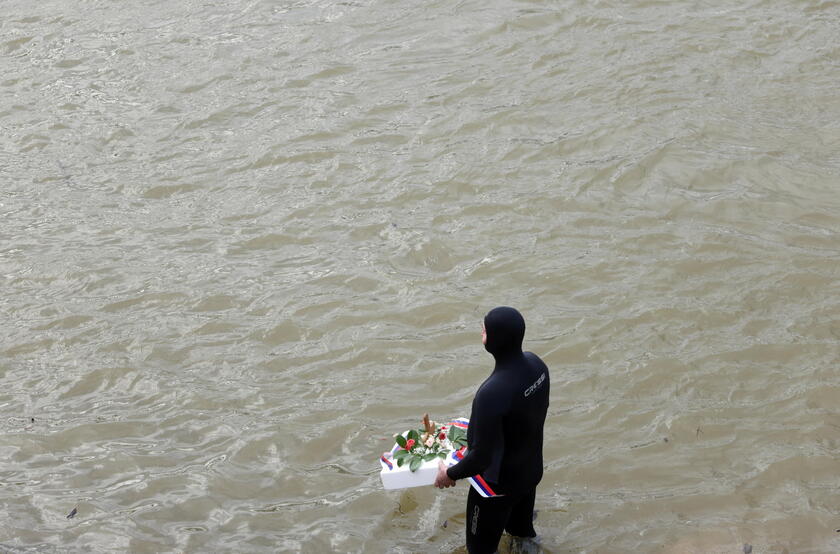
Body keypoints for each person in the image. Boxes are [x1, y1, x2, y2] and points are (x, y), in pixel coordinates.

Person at [434, 306, 550, 553]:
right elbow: (522, 417)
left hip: (495, 490)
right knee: (523, 535)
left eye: (484, 330)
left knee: (480, 550)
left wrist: (449, 474)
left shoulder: (491, 393)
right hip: (530, 473)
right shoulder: (538, 366)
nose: (481, 332)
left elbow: (480, 459)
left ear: (494, 340)